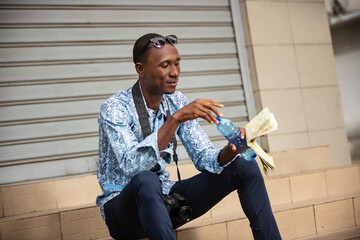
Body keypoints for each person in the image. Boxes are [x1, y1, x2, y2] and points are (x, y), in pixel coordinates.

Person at [96, 33, 281, 240]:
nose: (174, 72)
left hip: (165, 199)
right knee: (146, 180)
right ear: (140, 69)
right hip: (122, 211)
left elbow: (203, 157)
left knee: (243, 166)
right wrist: (175, 119)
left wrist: (230, 151)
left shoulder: (176, 100)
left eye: (176, 64)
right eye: (165, 65)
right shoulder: (114, 108)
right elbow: (131, 166)